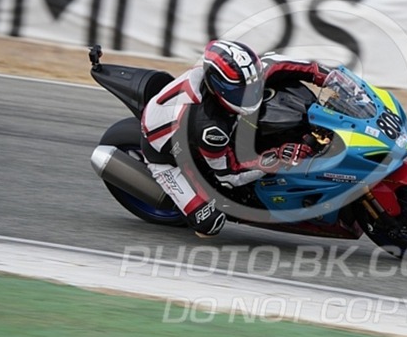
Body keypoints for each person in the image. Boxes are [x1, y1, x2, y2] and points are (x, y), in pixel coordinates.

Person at [140, 40, 329, 237]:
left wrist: (325, 75)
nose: (251, 93)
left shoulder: (246, 74)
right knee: (209, 223)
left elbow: (281, 64)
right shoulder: (210, 127)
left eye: (253, 85)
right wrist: (278, 157)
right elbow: (230, 176)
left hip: (183, 118)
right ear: (218, 87)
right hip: (166, 155)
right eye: (241, 91)